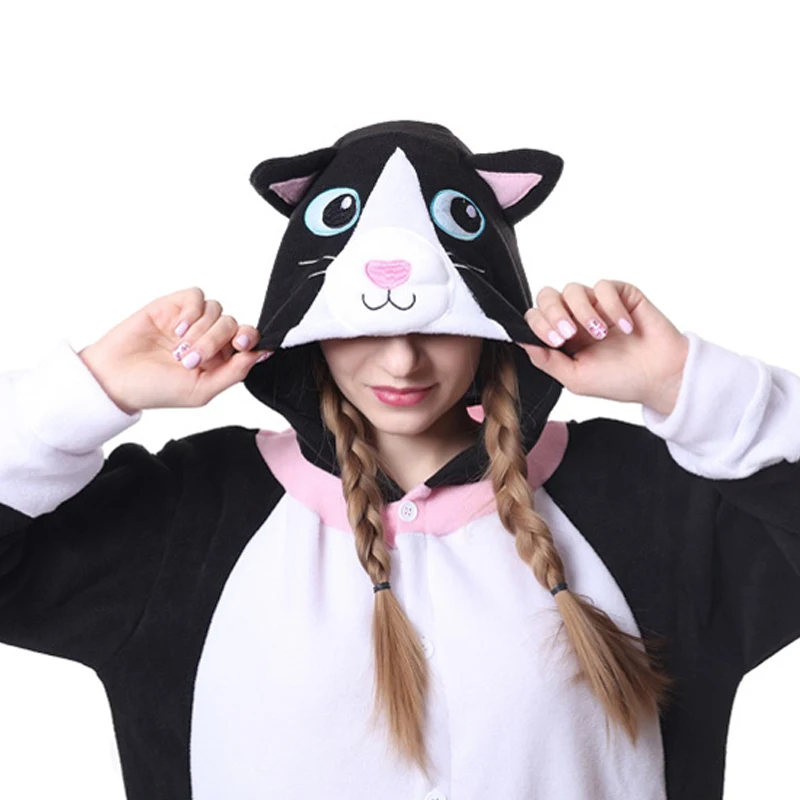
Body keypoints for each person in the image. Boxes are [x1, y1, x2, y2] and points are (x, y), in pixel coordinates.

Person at [1, 119, 799, 799]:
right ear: (305, 325)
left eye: (439, 323)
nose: (402, 362)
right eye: (360, 325)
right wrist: (91, 389)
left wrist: (688, 384)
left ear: (493, 323)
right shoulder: (190, 515)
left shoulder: (649, 501)